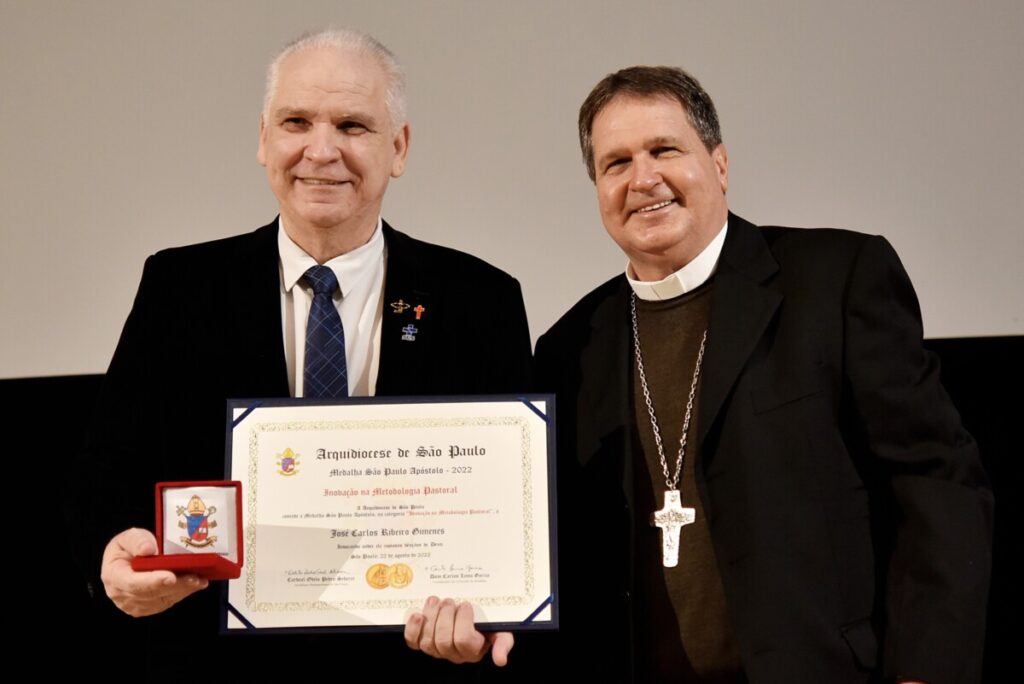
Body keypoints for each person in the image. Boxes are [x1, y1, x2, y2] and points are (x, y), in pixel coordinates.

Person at [412, 66, 993, 683]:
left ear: (718, 164)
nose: (643, 178)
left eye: (664, 149)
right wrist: (488, 613)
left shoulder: (834, 281)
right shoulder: (571, 346)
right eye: (616, 163)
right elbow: (555, 551)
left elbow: (938, 485)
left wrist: (925, 673)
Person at [72, 28, 530, 679]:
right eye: (296, 122)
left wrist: (497, 610)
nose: (322, 150)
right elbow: (104, 476)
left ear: (398, 148)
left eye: (352, 125)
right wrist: (115, 551)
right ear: (264, 140)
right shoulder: (180, 290)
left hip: (410, 665)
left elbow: (507, 518)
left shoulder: (481, 303)